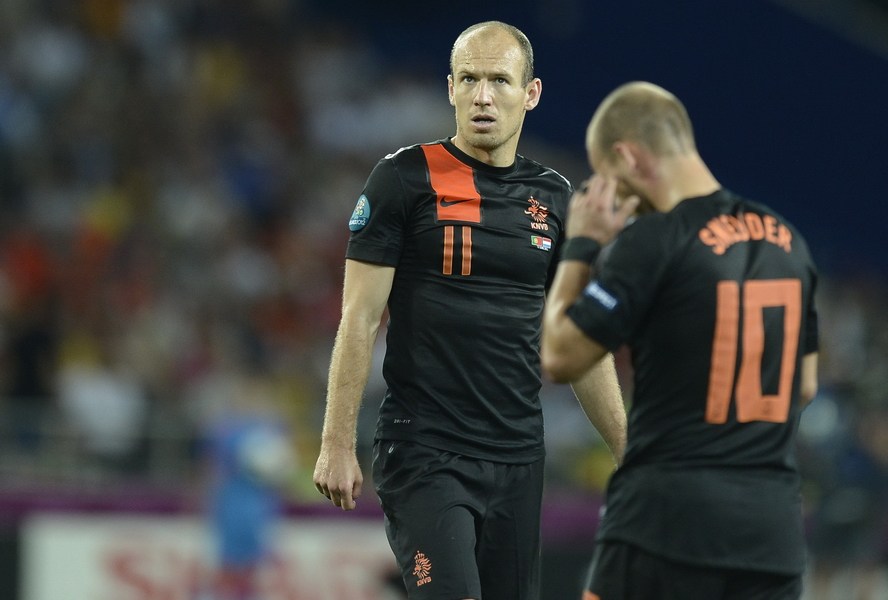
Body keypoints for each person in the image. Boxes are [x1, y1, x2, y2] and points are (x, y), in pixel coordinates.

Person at [312, 21, 627, 600]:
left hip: (517, 458)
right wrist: (335, 441)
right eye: (470, 79)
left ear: (530, 93)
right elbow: (358, 317)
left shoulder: (556, 198)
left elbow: (580, 341)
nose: (484, 96)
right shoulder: (404, 180)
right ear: (450, 88)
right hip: (425, 451)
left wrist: (628, 450)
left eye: (500, 81)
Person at [540, 81, 820, 600]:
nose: (614, 198)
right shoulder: (790, 242)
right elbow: (802, 386)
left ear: (626, 157)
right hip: (771, 534)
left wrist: (581, 245)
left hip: (664, 523)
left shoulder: (652, 241)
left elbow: (559, 356)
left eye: (608, 179)